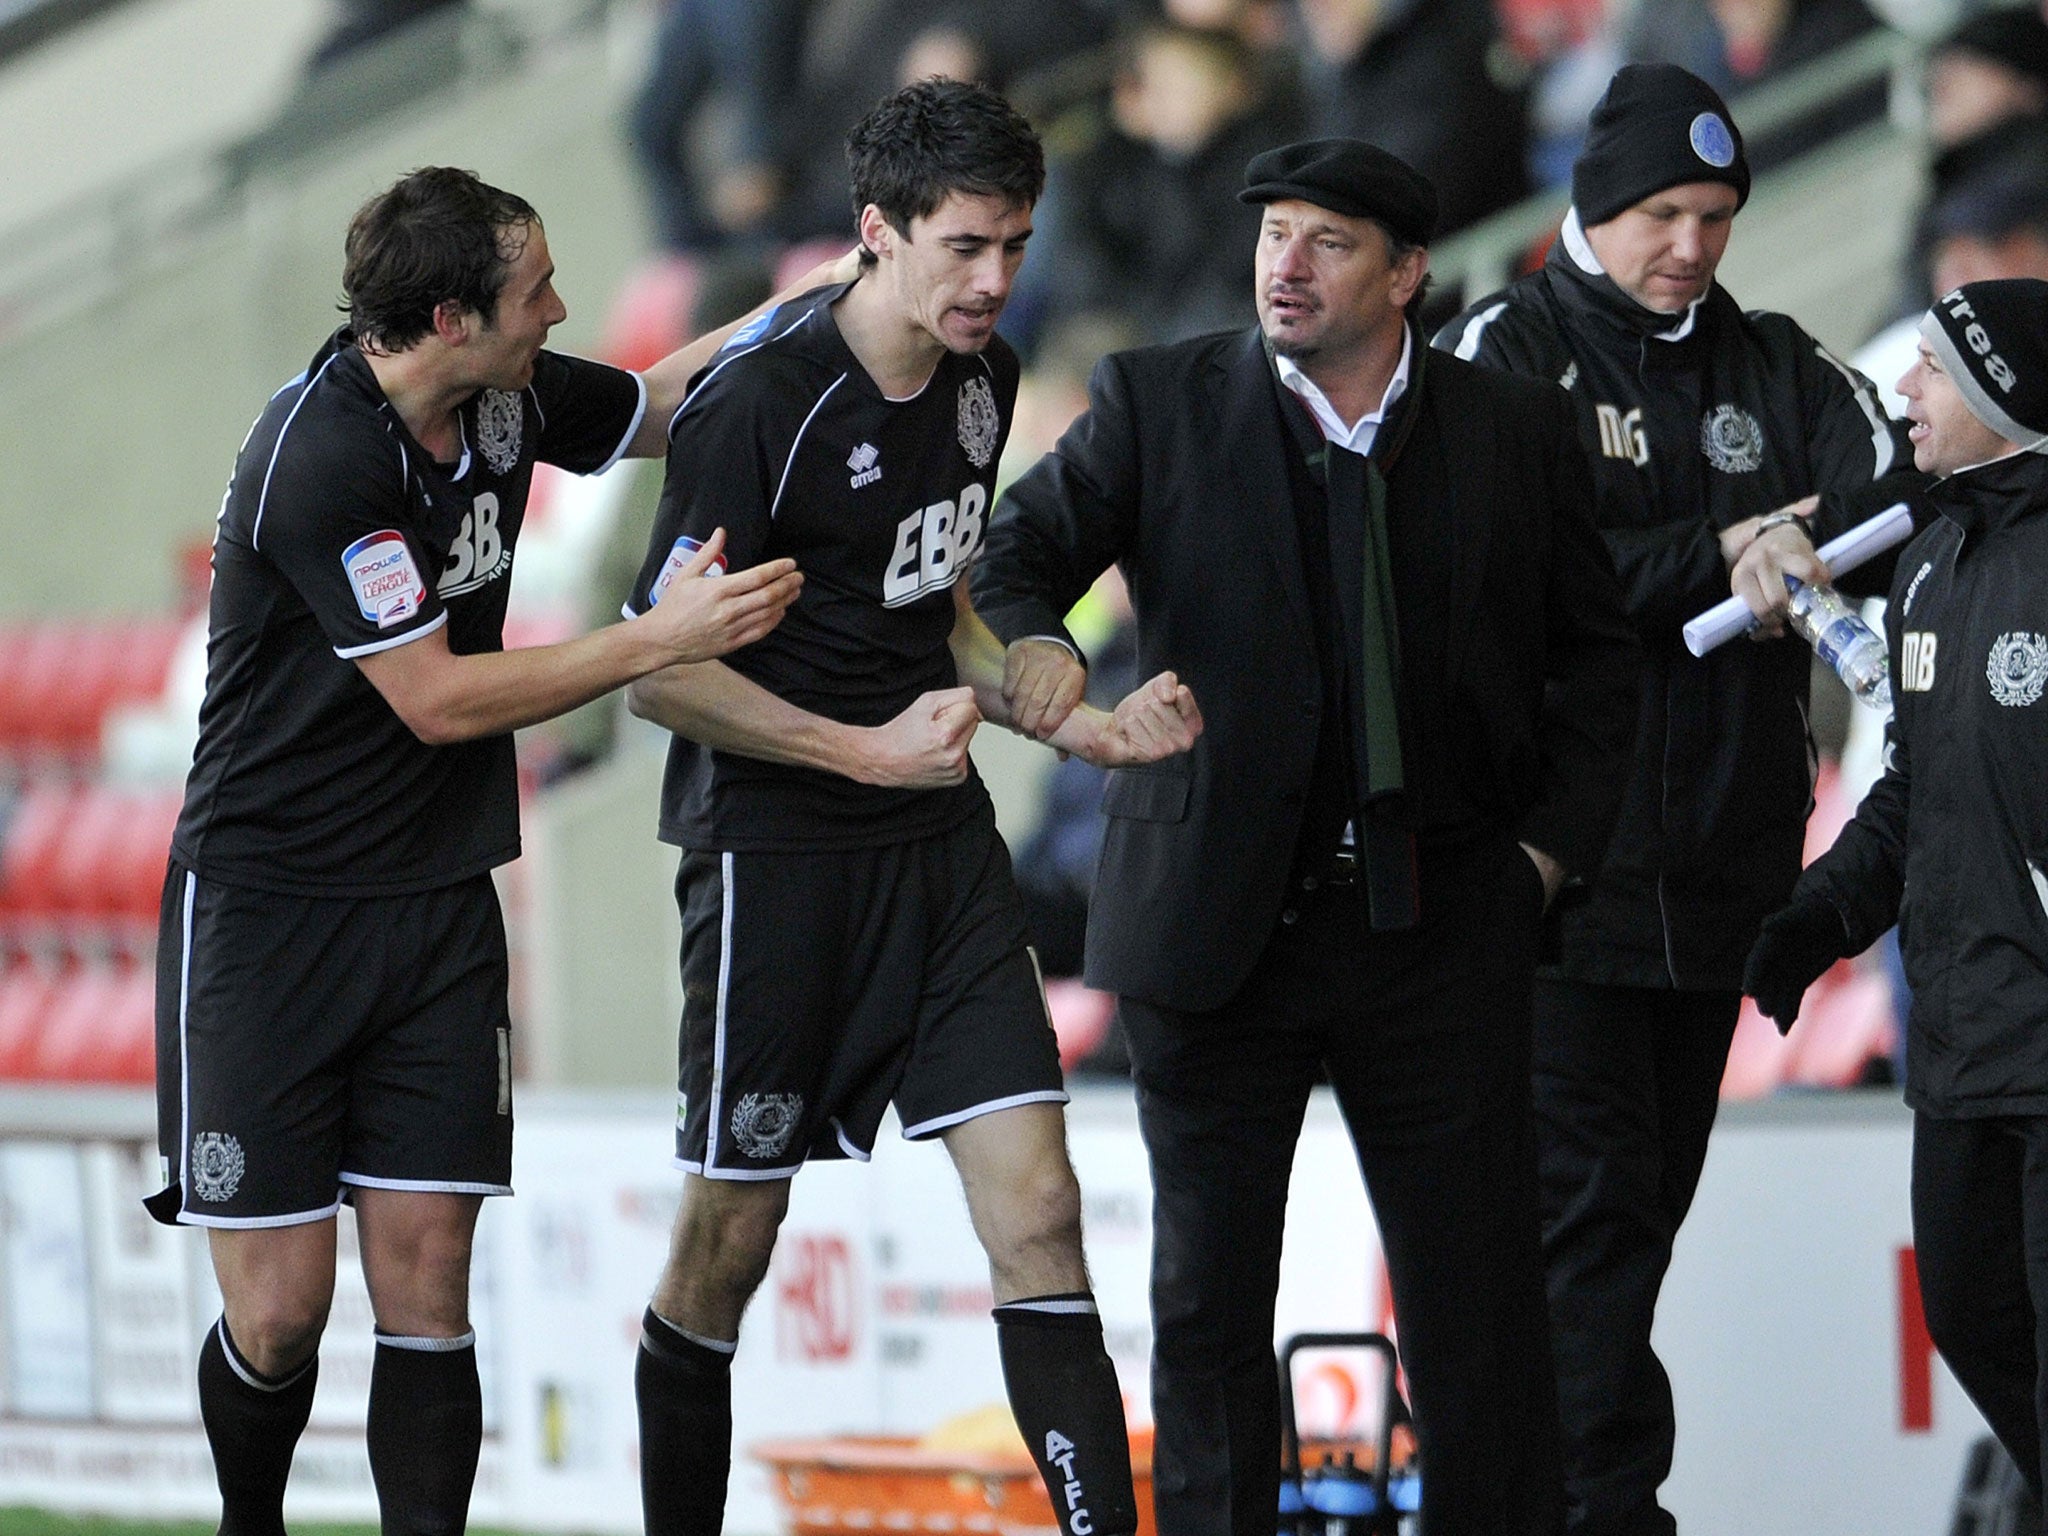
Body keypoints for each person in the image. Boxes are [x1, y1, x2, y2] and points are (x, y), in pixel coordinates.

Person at [973, 137, 1642, 1536]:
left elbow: (1602, 668)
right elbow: (1014, 558)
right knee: (1208, 1306)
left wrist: (1538, 865)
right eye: (1273, 233)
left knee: (1479, 1317)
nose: (1285, 262)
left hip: (1441, 921)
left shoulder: (1513, 429)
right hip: (1216, 928)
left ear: (1406, 274)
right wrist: (1050, 672)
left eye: (1327, 240)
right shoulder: (1157, 403)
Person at [146, 165, 814, 1536]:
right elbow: (440, 699)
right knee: (278, 1315)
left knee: (431, 1275)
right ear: (450, 316)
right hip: (269, 918)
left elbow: (661, 402)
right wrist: (659, 639)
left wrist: (832, 303)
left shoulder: (501, 397)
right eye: (536, 291)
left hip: (438, 905)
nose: (560, 309)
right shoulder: (320, 458)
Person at [617, 79, 1201, 1536]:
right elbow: (657, 681)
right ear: (876, 235)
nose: (996, 280)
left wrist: (1082, 729)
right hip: (775, 862)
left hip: (937, 853)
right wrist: (859, 752)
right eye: (964, 247)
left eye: (1013, 245)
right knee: (726, 1252)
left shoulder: (982, 380)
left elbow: (935, 614)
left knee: (1044, 1213)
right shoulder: (761, 401)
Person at [1435, 64, 1923, 1536]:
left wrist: (1782, 542)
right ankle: (1607, 1515)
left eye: (1717, 215)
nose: (1693, 245)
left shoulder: (1780, 365)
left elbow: (1907, 483)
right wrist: (1720, 556)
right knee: (1581, 1237)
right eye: (1662, 212)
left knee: (1629, 1236)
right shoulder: (1503, 349)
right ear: (1592, 204)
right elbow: (1504, 570)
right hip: (1554, 892)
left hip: (1719, 882)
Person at [1744, 276, 2048, 1510]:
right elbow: (1913, 791)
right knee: (1974, 1323)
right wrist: (1814, 918)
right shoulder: (1927, 563)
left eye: (1931, 368)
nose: (1903, 391)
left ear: (2001, 393)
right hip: (1961, 1046)